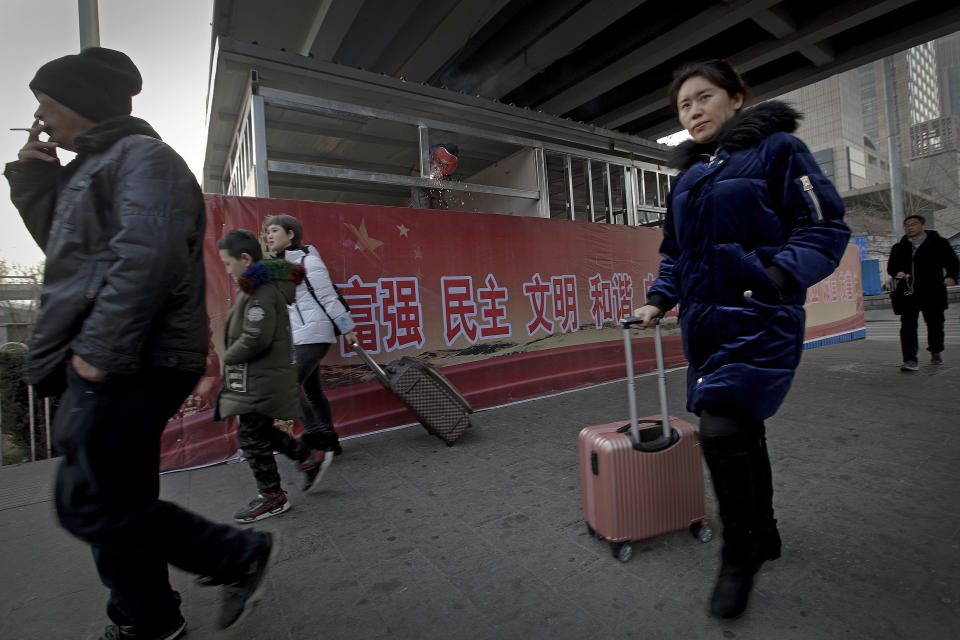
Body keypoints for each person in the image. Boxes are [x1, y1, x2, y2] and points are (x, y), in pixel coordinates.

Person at [4, 47, 275, 639]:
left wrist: (97, 353)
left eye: (47, 103)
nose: (41, 117)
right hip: (116, 355)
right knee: (117, 503)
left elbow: (144, 259)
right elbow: (70, 256)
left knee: (89, 505)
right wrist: (33, 176)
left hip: (134, 358)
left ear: (82, 102)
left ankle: (233, 556)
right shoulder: (90, 169)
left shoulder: (144, 159)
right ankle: (148, 618)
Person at [632, 59, 850, 619]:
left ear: (736, 98)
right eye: (684, 105)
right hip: (706, 326)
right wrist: (659, 298)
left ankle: (740, 553)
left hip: (761, 318)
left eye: (704, 97)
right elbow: (677, 253)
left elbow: (825, 226)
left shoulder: (779, 150)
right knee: (742, 431)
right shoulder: (688, 177)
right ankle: (768, 531)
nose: (694, 111)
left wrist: (776, 277)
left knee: (722, 430)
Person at [216, 229, 332, 521]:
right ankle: (308, 458)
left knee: (251, 434)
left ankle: (273, 496)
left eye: (228, 264)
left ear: (244, 258)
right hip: (262, 374)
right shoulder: (257, 286)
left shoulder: (260, 290)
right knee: (258, 431)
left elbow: (256, 337)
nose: (226, 270)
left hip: (263, 375)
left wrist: (228, 358)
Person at [264, 214, 357, 456]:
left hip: (314, 334)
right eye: (268, 232)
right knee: (313, 392)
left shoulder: (308, 261)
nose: (269, 235)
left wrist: (347, 329)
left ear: (291, 234)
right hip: (299, 336)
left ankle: (317, 440)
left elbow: (328, 297)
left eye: (274, 230)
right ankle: (330, 441)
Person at [886, 214, 959, 370]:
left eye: (913, 224)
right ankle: (910, 359)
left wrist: (951, 276)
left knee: (935, 324)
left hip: (933, 291)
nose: (910, 228)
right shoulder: (899, 248)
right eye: (907, 225)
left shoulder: (939, 244)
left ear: (923, 226)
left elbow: (953, 263)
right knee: (907, 326)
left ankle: (936, 350)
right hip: (908, 293)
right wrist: (899, 274)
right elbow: (891, 268)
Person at [410, 142, 459, 209]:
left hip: (435, 189)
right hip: (420, 185)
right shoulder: (428, 155)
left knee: (440, 208)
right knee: (423, 207)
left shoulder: (451, 165)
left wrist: (438, 185)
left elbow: (445, 181)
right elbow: (413, 172)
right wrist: (424, 182)